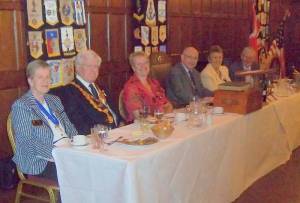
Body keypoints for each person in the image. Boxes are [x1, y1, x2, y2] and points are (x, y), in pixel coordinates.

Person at [11, 60, 78, 182]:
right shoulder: (22, 106)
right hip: (40, 161)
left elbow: (68, 126)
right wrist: (56, 153)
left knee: (93, 164)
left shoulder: (54, 100)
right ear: (30, 81)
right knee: (75, 173)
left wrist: (79, 142)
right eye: (40, 77)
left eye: (48, 77)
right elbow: (27, 142)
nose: (46, 81)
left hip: (66, 151)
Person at [52, 49, 118, 135]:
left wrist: (121, 123)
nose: (93, 70)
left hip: (117, 133)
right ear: (78, 67)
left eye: (96, 66)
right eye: (89, 66)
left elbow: (115, 111)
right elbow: (77, 123)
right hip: (95, 137)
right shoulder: (69, 91)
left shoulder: (101, 87)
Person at [123, 51, 173, 122]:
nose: (143, 66)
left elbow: (168, 105)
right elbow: (138, 115)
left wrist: (162, 117)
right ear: (133, 68)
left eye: (146, 62)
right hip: (141, 126)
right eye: (139, 64)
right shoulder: (131, 87)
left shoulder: (154, 82)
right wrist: (159, 117)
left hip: (159, 122)